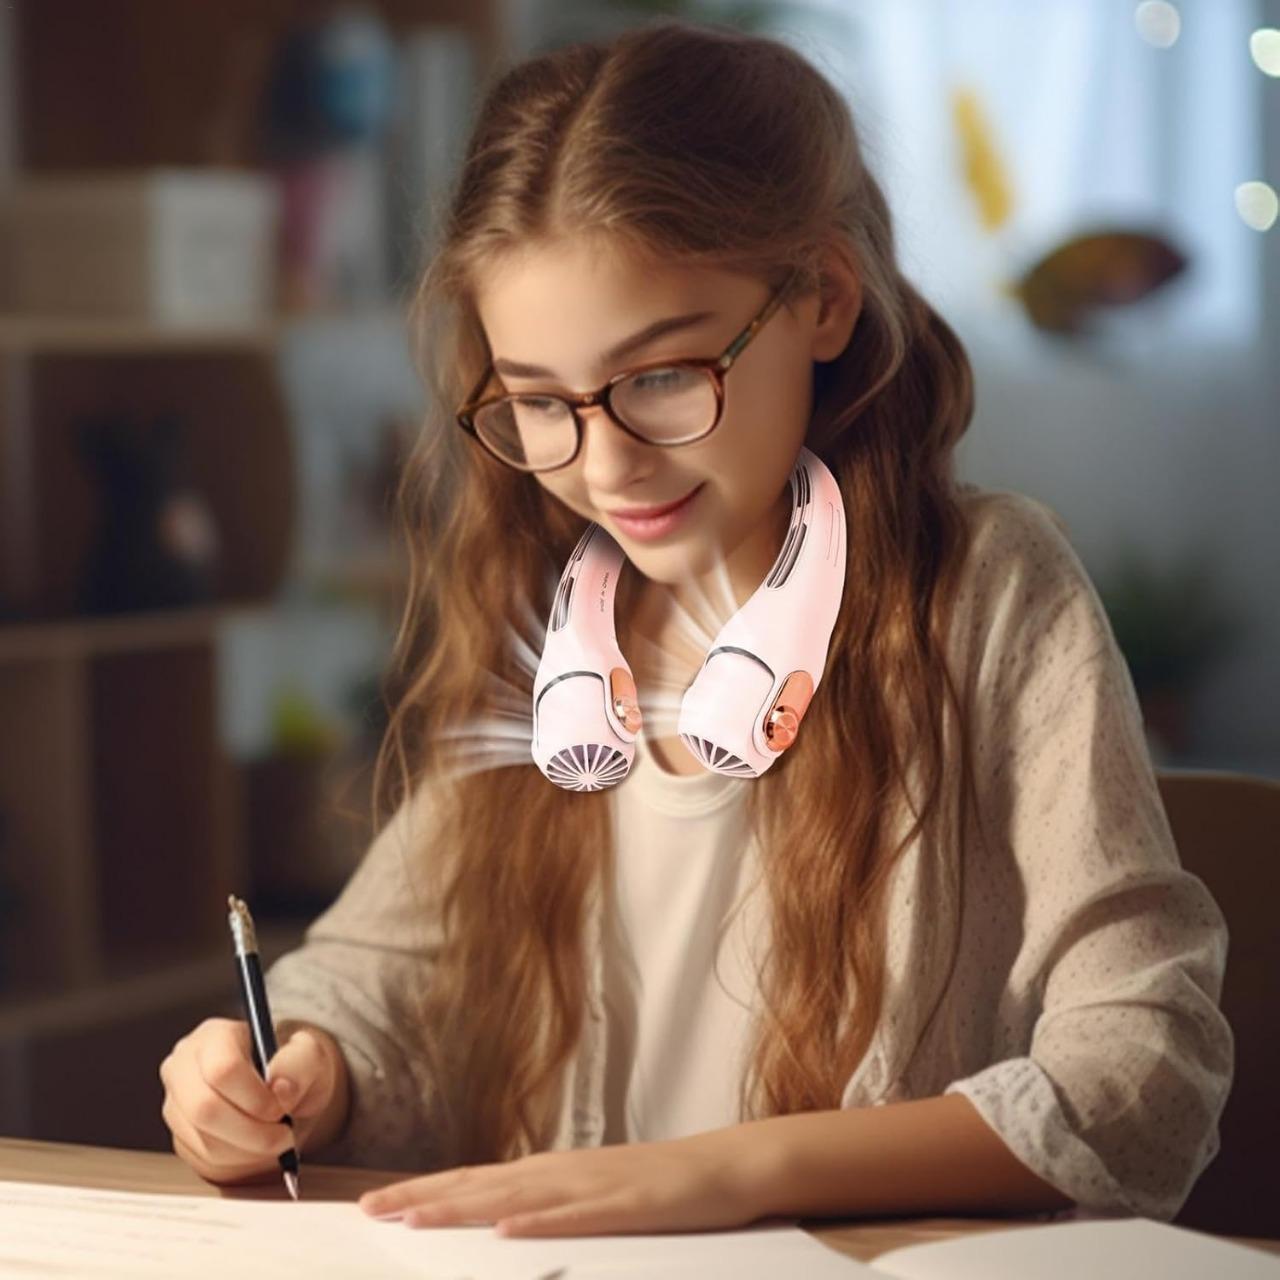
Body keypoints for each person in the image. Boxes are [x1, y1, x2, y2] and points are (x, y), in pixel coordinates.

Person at [157, 19, 1233, 1237]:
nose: (605, 464)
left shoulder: (985, 592)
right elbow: (378, 977)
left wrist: (730, 1169)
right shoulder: (549, 614)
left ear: (823, 297)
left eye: (662, 374)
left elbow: (1141, 1070)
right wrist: (295, 1065)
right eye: (539, 402)